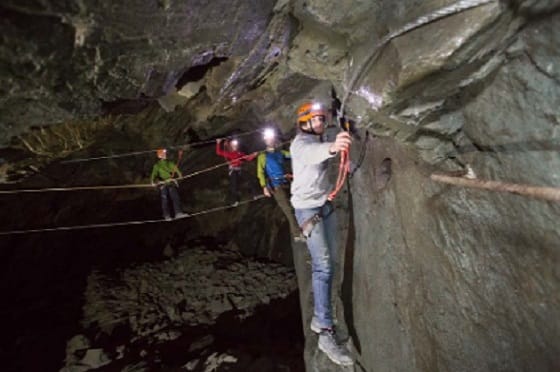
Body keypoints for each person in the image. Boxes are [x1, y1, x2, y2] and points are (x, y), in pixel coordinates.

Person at [290, 101, 354, 366]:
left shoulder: (321, 135)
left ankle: (320, 319)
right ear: (304, 122)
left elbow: (329, 138)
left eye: (321, 119)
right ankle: (325, 333)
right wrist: (331, 147)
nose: (319, 123)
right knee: (323, 266)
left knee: (330, 263)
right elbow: (314, 153)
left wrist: (342, 125)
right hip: (307, 210)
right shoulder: (300, 144)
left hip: (323, 205)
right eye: (314, 120)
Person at [257, 128, 305, 242]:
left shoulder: (280, 153)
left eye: (271, 138)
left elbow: (292, 154)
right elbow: (260, 172)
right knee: (288, 209)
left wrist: (295, 144)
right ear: (265, 140)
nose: (270, 140)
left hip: (286, 182)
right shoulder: (262, 156)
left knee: (297, 205)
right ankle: (297, 234)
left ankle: (303, 227)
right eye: (268, 138)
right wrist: (264, 187)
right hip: (275, 185)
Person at [216, 138, 258, 206]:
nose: (235, 146)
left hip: (239, 169)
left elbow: (248, 158)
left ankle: (255, 194)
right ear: (231, 146)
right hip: (233, 170)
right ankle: (235, 200)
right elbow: (218, 152)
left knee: (249, 179)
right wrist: (218, 143)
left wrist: (254, 155)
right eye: (233, 145)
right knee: (234, 184)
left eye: (236, 145)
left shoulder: (239, 153)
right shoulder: (228, 153)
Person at [150, 148, 187, 221]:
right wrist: (152, 182)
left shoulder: (169, 162)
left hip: (170, 182)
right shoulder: (157, 165)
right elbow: (153, 174)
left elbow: (175, 168)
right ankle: (166, 215)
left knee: (175, 197)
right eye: (163, 154)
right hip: (162, 183)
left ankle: (178, 213)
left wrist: (180, 175)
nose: (165, 155)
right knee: (165, 199)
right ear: (159, 156)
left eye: (165, 153)